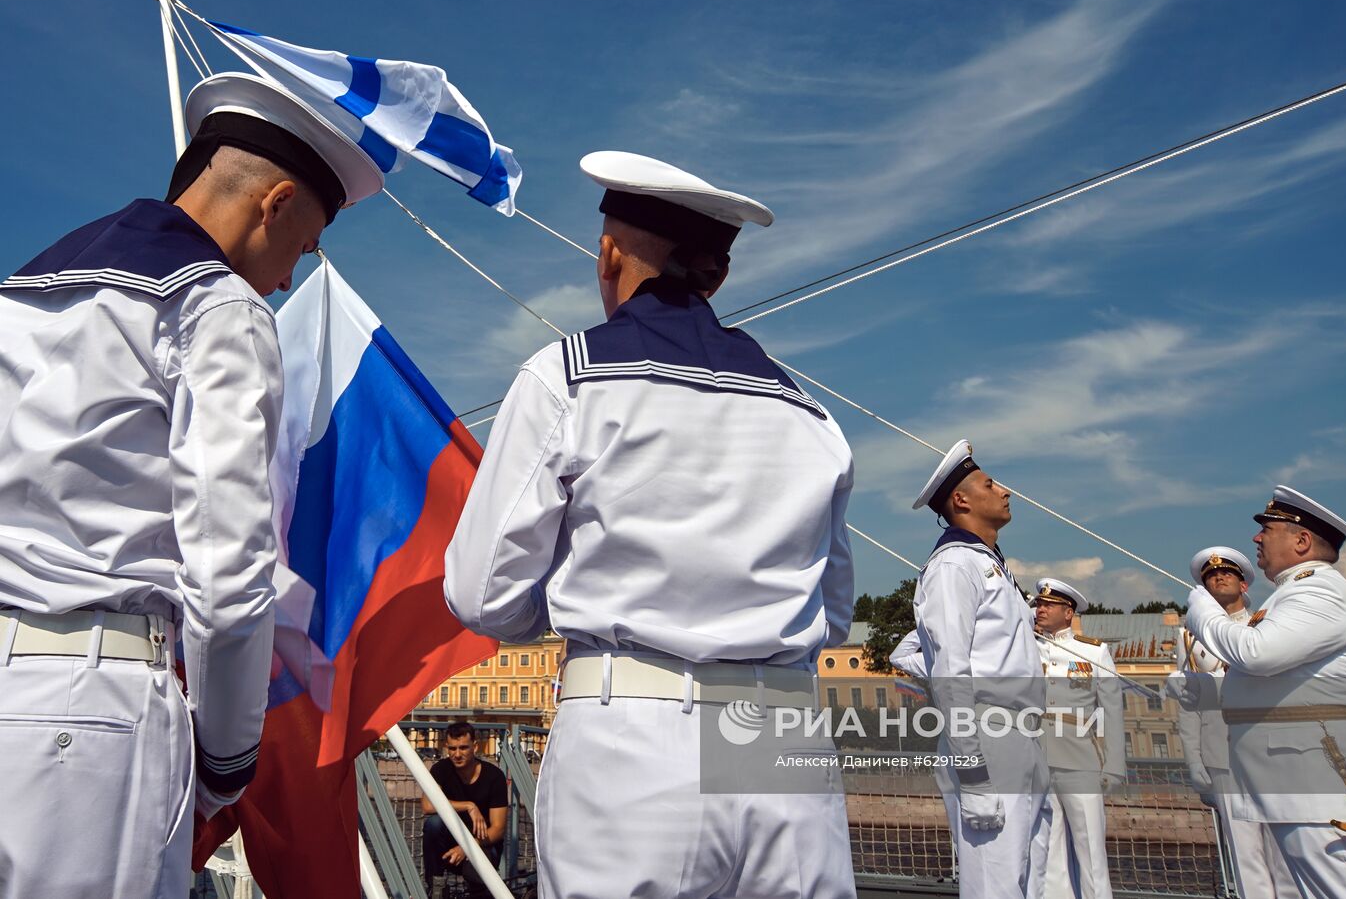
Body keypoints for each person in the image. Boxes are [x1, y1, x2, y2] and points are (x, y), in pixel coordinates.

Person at [0, 71, 380, 899]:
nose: (285, 280)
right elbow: (228, 572)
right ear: (275, 204)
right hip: (90, 711)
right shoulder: (218, 310)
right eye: (302, 248)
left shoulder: (17, 294)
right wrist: (225, 761)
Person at [444, 151, 857, 899]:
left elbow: (483, 596)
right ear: (717, 275)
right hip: (777, 733)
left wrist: (569, 598)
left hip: (634, 730)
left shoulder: (566, 377)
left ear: (607, 254)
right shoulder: (810, 412)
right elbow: (830, 611)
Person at [1184, 486, 1346, 898]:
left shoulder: (1320, 590)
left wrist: (1204, 611)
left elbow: (1257, 653)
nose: (1256, 538)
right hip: (1298, 785)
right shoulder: (1293, 593)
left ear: (1301, 541)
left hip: (1322, 788)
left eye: (1268, 529)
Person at [910, 440, 1050, 899]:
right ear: (962, 500)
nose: (1005, 491)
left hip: (1021, 734)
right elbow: (950, 670)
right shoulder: (953, 567)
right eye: (991, 484)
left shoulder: (989, 565)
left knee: (1029, 878)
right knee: (995, 883)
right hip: (989, 738)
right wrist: (973, 775)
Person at [1174, 546, 1299, 899]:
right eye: (1211, 576)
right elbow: (1189, 706)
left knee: (1284, 852)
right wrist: (1195, 761)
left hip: (1270, 750)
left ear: (1244, 584)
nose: (1219, 576)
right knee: (1244, 857)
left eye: (1227, 573)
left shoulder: (1270, 622)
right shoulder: (1189, 636)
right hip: (1222, 755)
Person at [1032, 579, 1125, 899]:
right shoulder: (1027, 647)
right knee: (1049, 850)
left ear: (1068, 612)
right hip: (1038, 756)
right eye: (1038, 605)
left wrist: (1114, 765)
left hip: (1080, 758)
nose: (1040, 609)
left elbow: (1112, 711)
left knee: (1090, 850)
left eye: (1048, 605)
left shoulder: (1093, 650)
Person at [422, 722, 509, 898]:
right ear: (446, 747)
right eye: (452, 749)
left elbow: (498, 829)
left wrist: (467, 847)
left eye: (463, 748)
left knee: (475, 877)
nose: (457, 754)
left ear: (475, 747)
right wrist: (469, 805)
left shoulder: (494, 776)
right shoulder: (441, 769)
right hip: (449, 845)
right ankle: (436, 887)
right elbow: (427, 806)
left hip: (481, 844)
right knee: (433, 824)